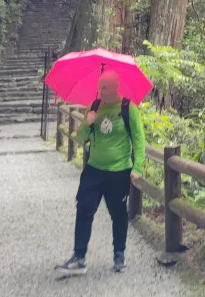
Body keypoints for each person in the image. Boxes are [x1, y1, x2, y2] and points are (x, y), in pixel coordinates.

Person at [55, 71, 145, 276]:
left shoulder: (128, 109)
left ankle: (119, 254)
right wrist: (88, 122)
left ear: (116, 87)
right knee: (84, 209)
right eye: (100, 87)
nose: (102, 91)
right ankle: (79, 257)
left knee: (118, 213)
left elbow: (139, 140)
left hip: (118, 171)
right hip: (94, 169)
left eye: (106, 87)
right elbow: (80, 137)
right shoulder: (94, 107)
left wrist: (137, 167)